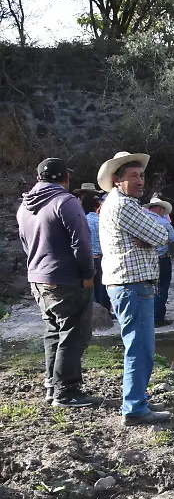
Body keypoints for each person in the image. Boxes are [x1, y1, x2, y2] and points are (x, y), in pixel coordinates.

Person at [16, 158, 100, 408]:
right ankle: (67, 392)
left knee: (53, 332)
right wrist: (88, 274)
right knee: (74, 335)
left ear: (38, 176)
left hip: (38, 277)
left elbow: (25, 243)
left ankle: (52, 386)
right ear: (66, 178)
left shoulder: (24, 206)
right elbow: (81, 243)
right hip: (67, 279)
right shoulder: (66, 202)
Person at [97, 151, 171, 426]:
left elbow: (162, 236)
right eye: (133, 176)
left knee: (138, 346)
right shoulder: (124, 206)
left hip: (128, 285)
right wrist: (152, 235)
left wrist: (152, 235)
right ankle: (135, 408)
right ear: (118, 180)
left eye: (141, 176)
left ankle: (137, 399)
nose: (140, 181)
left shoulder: (120, 203)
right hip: (131, 285)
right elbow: (164, 235)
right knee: (139, 348)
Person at [146, 197, 174, 327]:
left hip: (146, 259)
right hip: (161, 259)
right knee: (162, 288)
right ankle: (158, 318)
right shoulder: (163, 222)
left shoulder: (143, 219)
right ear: (160, 208)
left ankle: (149, 316)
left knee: (148, 288)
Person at [77, 188, 111, 314]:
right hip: (101, 256)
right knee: (103, 286)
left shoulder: (82, 220)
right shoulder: (101, 220)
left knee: (91, 287)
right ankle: (105, 312)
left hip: (88, 257)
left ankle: (93, 312)